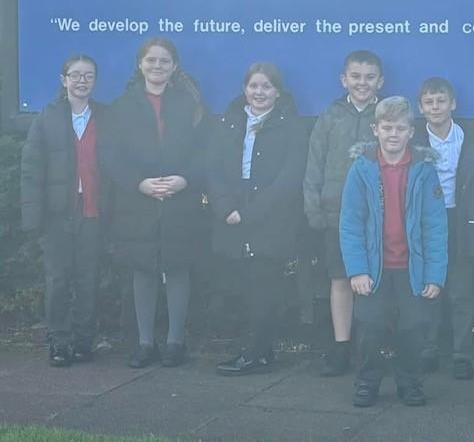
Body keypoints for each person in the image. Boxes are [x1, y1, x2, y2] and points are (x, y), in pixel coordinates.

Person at [100, 37, 206, 369]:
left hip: (180, 199)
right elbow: (110, 156)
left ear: (175, 67)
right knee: (143, 269)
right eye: (151, 60)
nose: (157, 66)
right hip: (138, 201)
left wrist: (185, 179)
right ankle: (145, 343)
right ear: (140, 64)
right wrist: (139, 183)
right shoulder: (122, 106)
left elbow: (206, 152)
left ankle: (175, 343)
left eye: (164, 61)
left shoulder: (190, 105)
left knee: (177, 267)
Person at [339, 96, 446, 408]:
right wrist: (357, 270)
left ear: (411, 132)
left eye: (400, 128)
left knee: (414, 328)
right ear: (375, 130)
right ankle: (367, 382)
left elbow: (435, 226)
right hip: (374, 267)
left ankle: (409, 382)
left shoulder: (425, 171)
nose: (393, 134)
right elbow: (350, 224)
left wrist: (435, 274)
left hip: (413, 267)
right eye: (387, 128)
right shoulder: (361, 170)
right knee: (369, 326)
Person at [207, 63, 308, 376]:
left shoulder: (292, 126)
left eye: (266, 86)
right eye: (253, 86)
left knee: (265, 286)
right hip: (231, 213)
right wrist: (225, 206)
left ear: (278, 92)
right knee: (241, 286)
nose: (259, 92)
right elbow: (212, 168)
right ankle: (256, 350)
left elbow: (290, 178)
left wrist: (250, 213)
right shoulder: (229, 121)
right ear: (244, 89)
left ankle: (257, 353)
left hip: (271, 217)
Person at [20, 54, 106, 366]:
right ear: (64, 80)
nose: (82, 81)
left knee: (88, 279)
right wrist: (33, 217)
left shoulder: (105, 117)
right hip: (58, 213)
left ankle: (83, 341)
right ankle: (59, 341)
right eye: (76, 75)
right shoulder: (47, 118)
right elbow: (31, 169)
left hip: (93, 211)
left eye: (88, 75)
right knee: (58, 279)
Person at [304, 49, 385, 377]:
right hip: (335, 213)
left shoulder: (388, 115)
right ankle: (341, 347)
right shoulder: (330, 116)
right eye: (356, 76)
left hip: (377, 216)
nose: (362, 83)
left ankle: (371, 347)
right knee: (340, 279)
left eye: (369, 77)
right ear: (344, 80)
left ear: (381, 81)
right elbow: (314, 164)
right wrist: (313, 208)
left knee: (373, 281)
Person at [417, 77, 474, 380]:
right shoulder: (413, 142)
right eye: (429, 102)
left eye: (441, 101)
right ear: (420, 108)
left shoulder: (473, 142)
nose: (436, 107)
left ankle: (462, 354)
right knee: (429, 287)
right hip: (427, 221)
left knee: (462, 291)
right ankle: (428, 350)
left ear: (453, 104)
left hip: (460, 220)